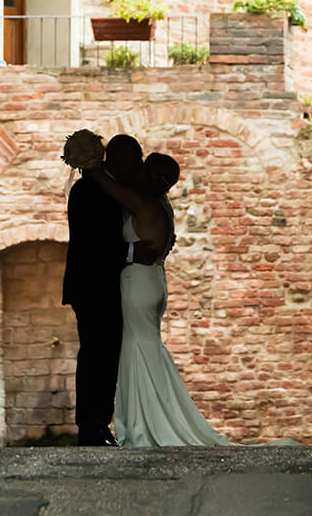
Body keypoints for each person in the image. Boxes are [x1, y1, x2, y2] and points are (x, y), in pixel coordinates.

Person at [81, 151, 233, 447]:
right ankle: (146, 420)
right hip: (153, 282)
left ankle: (146, 424)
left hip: (138, 283)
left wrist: (89, 162)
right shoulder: (162, 205)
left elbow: (103, 182)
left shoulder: (142, 202)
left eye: (142, 167)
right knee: (142, 349)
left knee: (138, 349)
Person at [62, 134, 158, 446]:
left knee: (105, 355)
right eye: (134, 158)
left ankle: (98, 424)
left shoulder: (109, 189)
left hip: (104, 287)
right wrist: (131, 254)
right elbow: (93, 245)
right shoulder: (88, 191)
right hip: (92, 287)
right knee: (96, 355)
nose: (138, 165)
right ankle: (92, 426)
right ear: (115, 159)